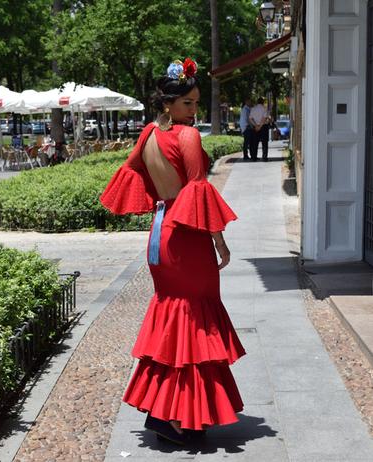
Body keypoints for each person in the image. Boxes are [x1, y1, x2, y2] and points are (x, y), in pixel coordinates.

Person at [100, 58, 245, 445]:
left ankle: (167, 413)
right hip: (187, 237)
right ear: (168, 103)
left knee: (173, 318)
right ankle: (177, 417)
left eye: (196, 103)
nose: (194, 111)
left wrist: (160, 196)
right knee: (193, 320)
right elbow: (197, 187)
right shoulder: (188, 137)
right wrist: (220, 240)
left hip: (160, 234)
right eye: (188, 104)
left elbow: (132, 173)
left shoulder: (148, 133)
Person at [249, 97, 270, 162]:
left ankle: (254, 157)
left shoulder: (253, 109)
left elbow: (250, 119)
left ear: (257, 102)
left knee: (255, 143)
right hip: (263, 127)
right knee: (264, 143)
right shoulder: (264, 109)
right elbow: (264, 118)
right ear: (263, 102)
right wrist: (260, 126)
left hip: (255, 127)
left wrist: (256, 125)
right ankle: (264, 157)